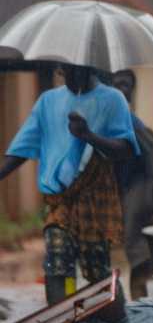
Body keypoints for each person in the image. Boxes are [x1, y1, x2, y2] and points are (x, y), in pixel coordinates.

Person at [1, 64, 137, 304]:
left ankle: (111, 321)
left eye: (80, 69)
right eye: (68, 69)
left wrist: (88, 136)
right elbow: (21, 149)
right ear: (60, 69)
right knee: (57, 261)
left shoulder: (112, 100)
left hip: (95, 197)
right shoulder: (48, 102)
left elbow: (125, 149)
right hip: (58, 198)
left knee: (97, 269)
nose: (74, 74)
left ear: (91, 67)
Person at [110, 70, 153, 299]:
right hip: (107, 196)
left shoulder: (137, 126)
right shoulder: (103, 123)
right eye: (117, 84)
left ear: (132, 89)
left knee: (136, 253)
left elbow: (151, 168)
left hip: (134, 194)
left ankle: (139, 305)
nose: (122, 89)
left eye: (126, 84)